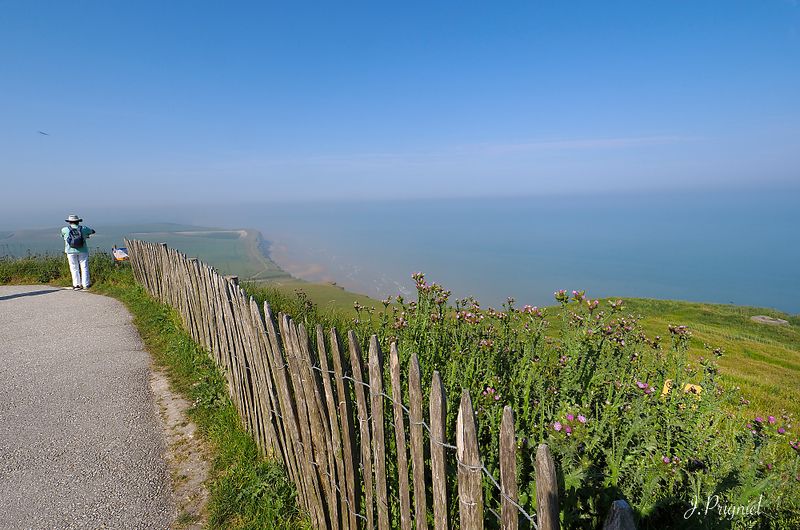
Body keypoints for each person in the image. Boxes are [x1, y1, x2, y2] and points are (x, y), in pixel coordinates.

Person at [61, 214, 96, 290]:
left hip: (70, 251)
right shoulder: (84, 228)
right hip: (83, 250)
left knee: (74, 267)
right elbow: (92, 231)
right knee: (84, 267)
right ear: (78, 221)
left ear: (69, 222)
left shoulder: (64, 229)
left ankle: (76, 284)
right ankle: (85, 284)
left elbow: (63, 236)